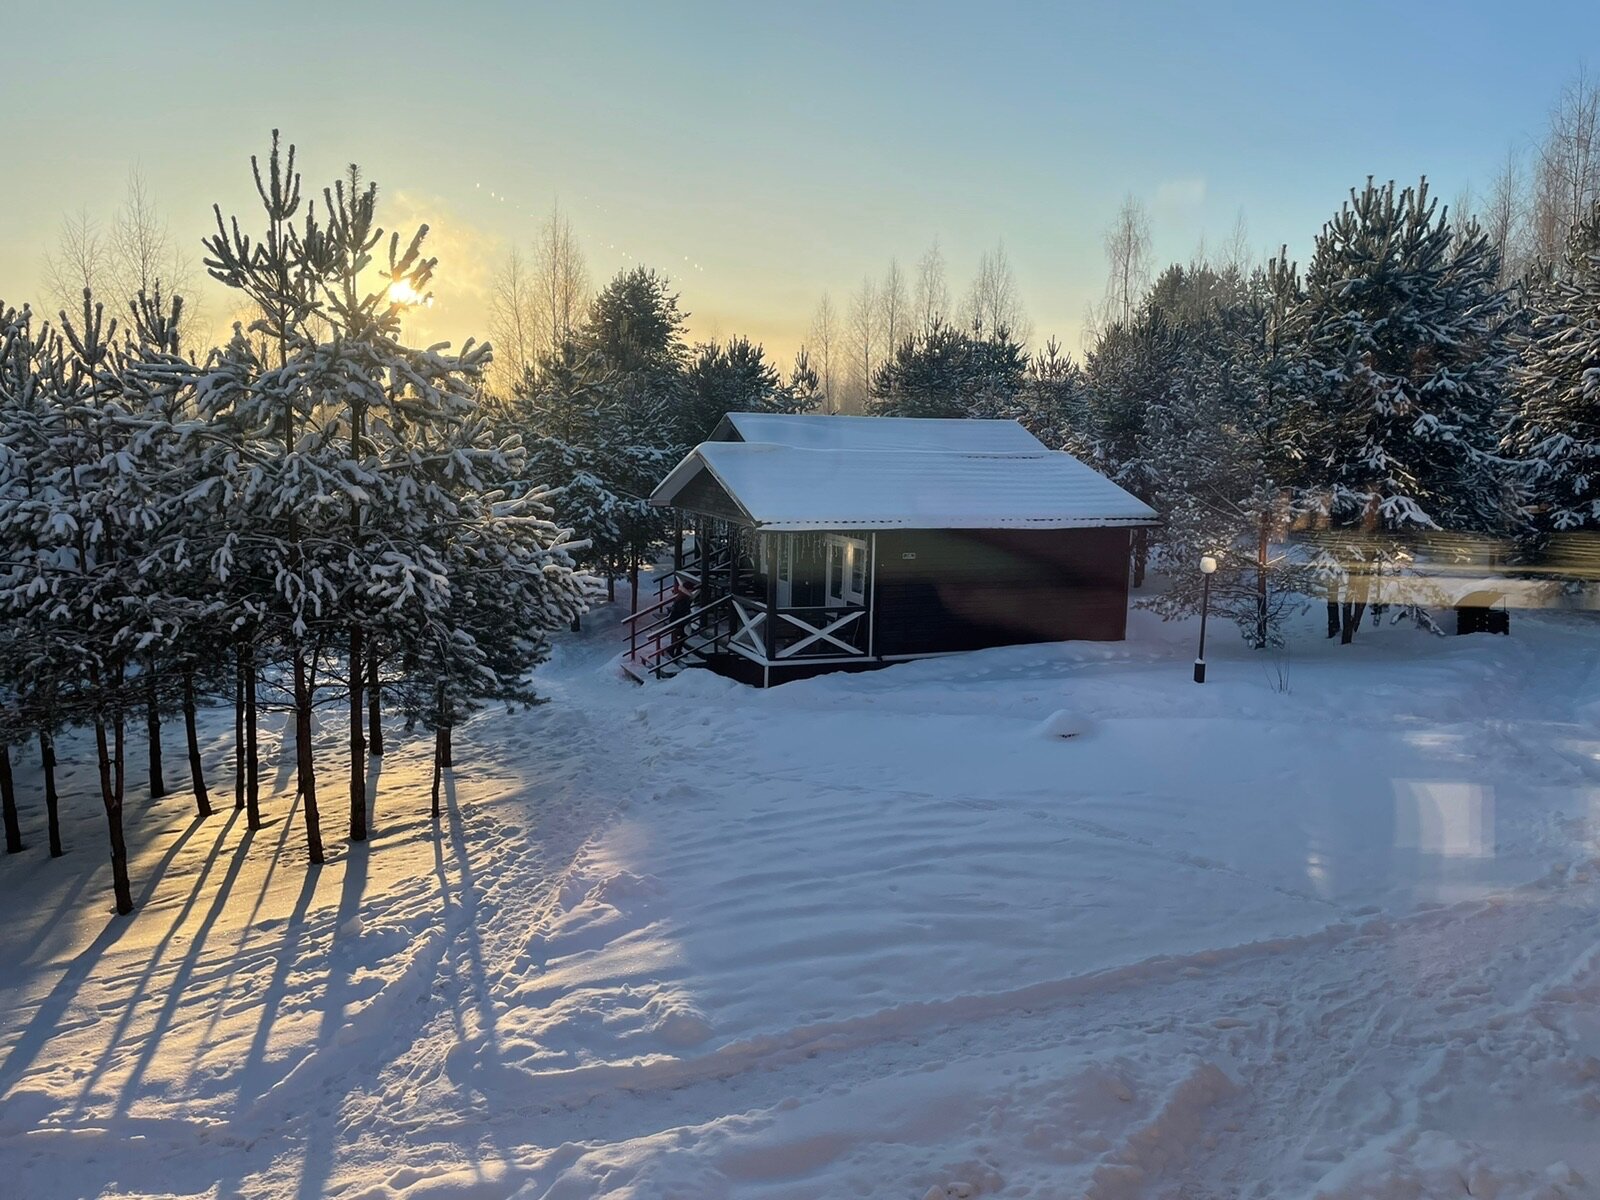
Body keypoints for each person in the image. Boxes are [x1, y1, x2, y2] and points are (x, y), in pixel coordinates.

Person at [668, 581, 698, 658]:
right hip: (679, 619)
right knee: (682, 635)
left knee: (680, 635)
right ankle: (674, 650)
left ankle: (675, 650)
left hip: (676, 619)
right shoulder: (684, 598)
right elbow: (682, 609)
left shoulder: (682, 595)